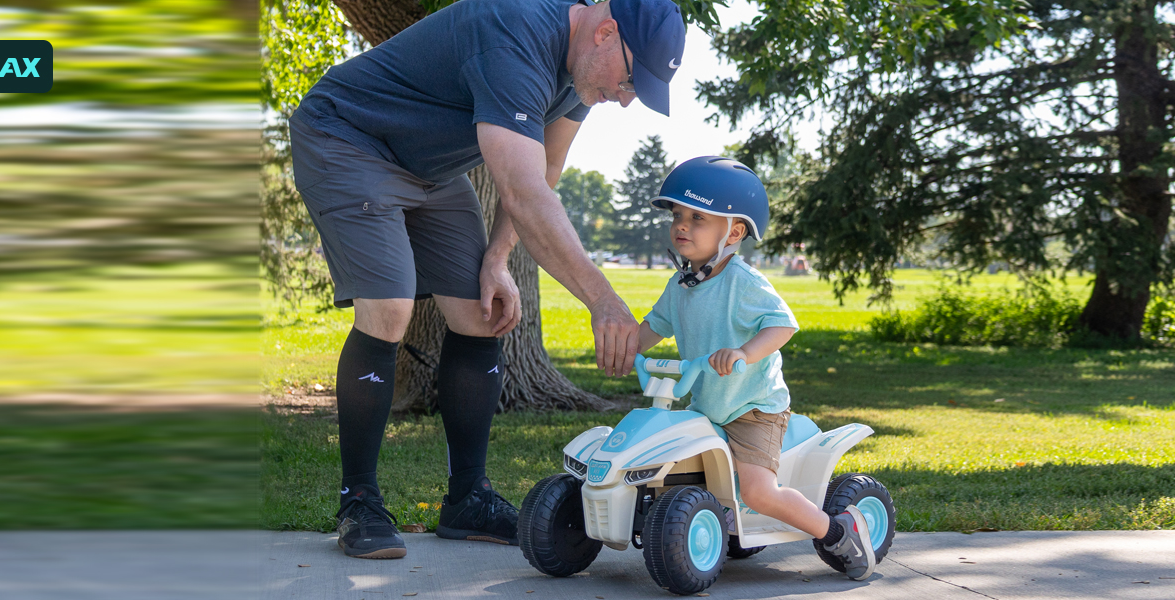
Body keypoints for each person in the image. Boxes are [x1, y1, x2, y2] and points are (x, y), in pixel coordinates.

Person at [287, 0, 686, 559]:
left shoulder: (581, 76)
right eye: (629, 80)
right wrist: (603, 299)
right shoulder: (514, 33)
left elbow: (544, 170)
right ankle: (359, 499)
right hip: (347, 136)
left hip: (427, 168)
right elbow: (522, 192)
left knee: (481, 312)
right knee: (389, 309)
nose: (625, 97)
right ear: (606, 32)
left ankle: (467, 499)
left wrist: (497, 257)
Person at [632, 156, 879, 580]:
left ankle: (838, 531)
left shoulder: (743, 282)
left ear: (735, 231)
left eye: (697, 217)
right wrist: (625, 349)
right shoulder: (680, 285)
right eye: (677, 215)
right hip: (709, 405)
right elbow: (653, 327)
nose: (682, 225)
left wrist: (744, 352)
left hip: (753, 408)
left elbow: (783, 325)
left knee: (759, 491)